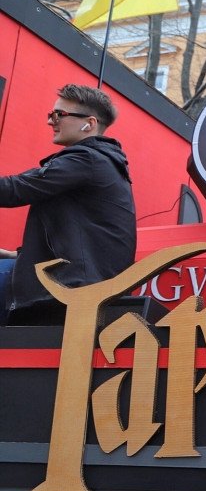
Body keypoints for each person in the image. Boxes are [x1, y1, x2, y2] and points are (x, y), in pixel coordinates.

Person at [0, 84, 136, 322]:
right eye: (51, 114)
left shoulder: (87, 159)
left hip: (70, 288)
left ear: (89, 124)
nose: (50, 121)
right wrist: (17, 256)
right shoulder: (102, 162)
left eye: (59, 115)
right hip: (82, 286)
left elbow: (15, 189)